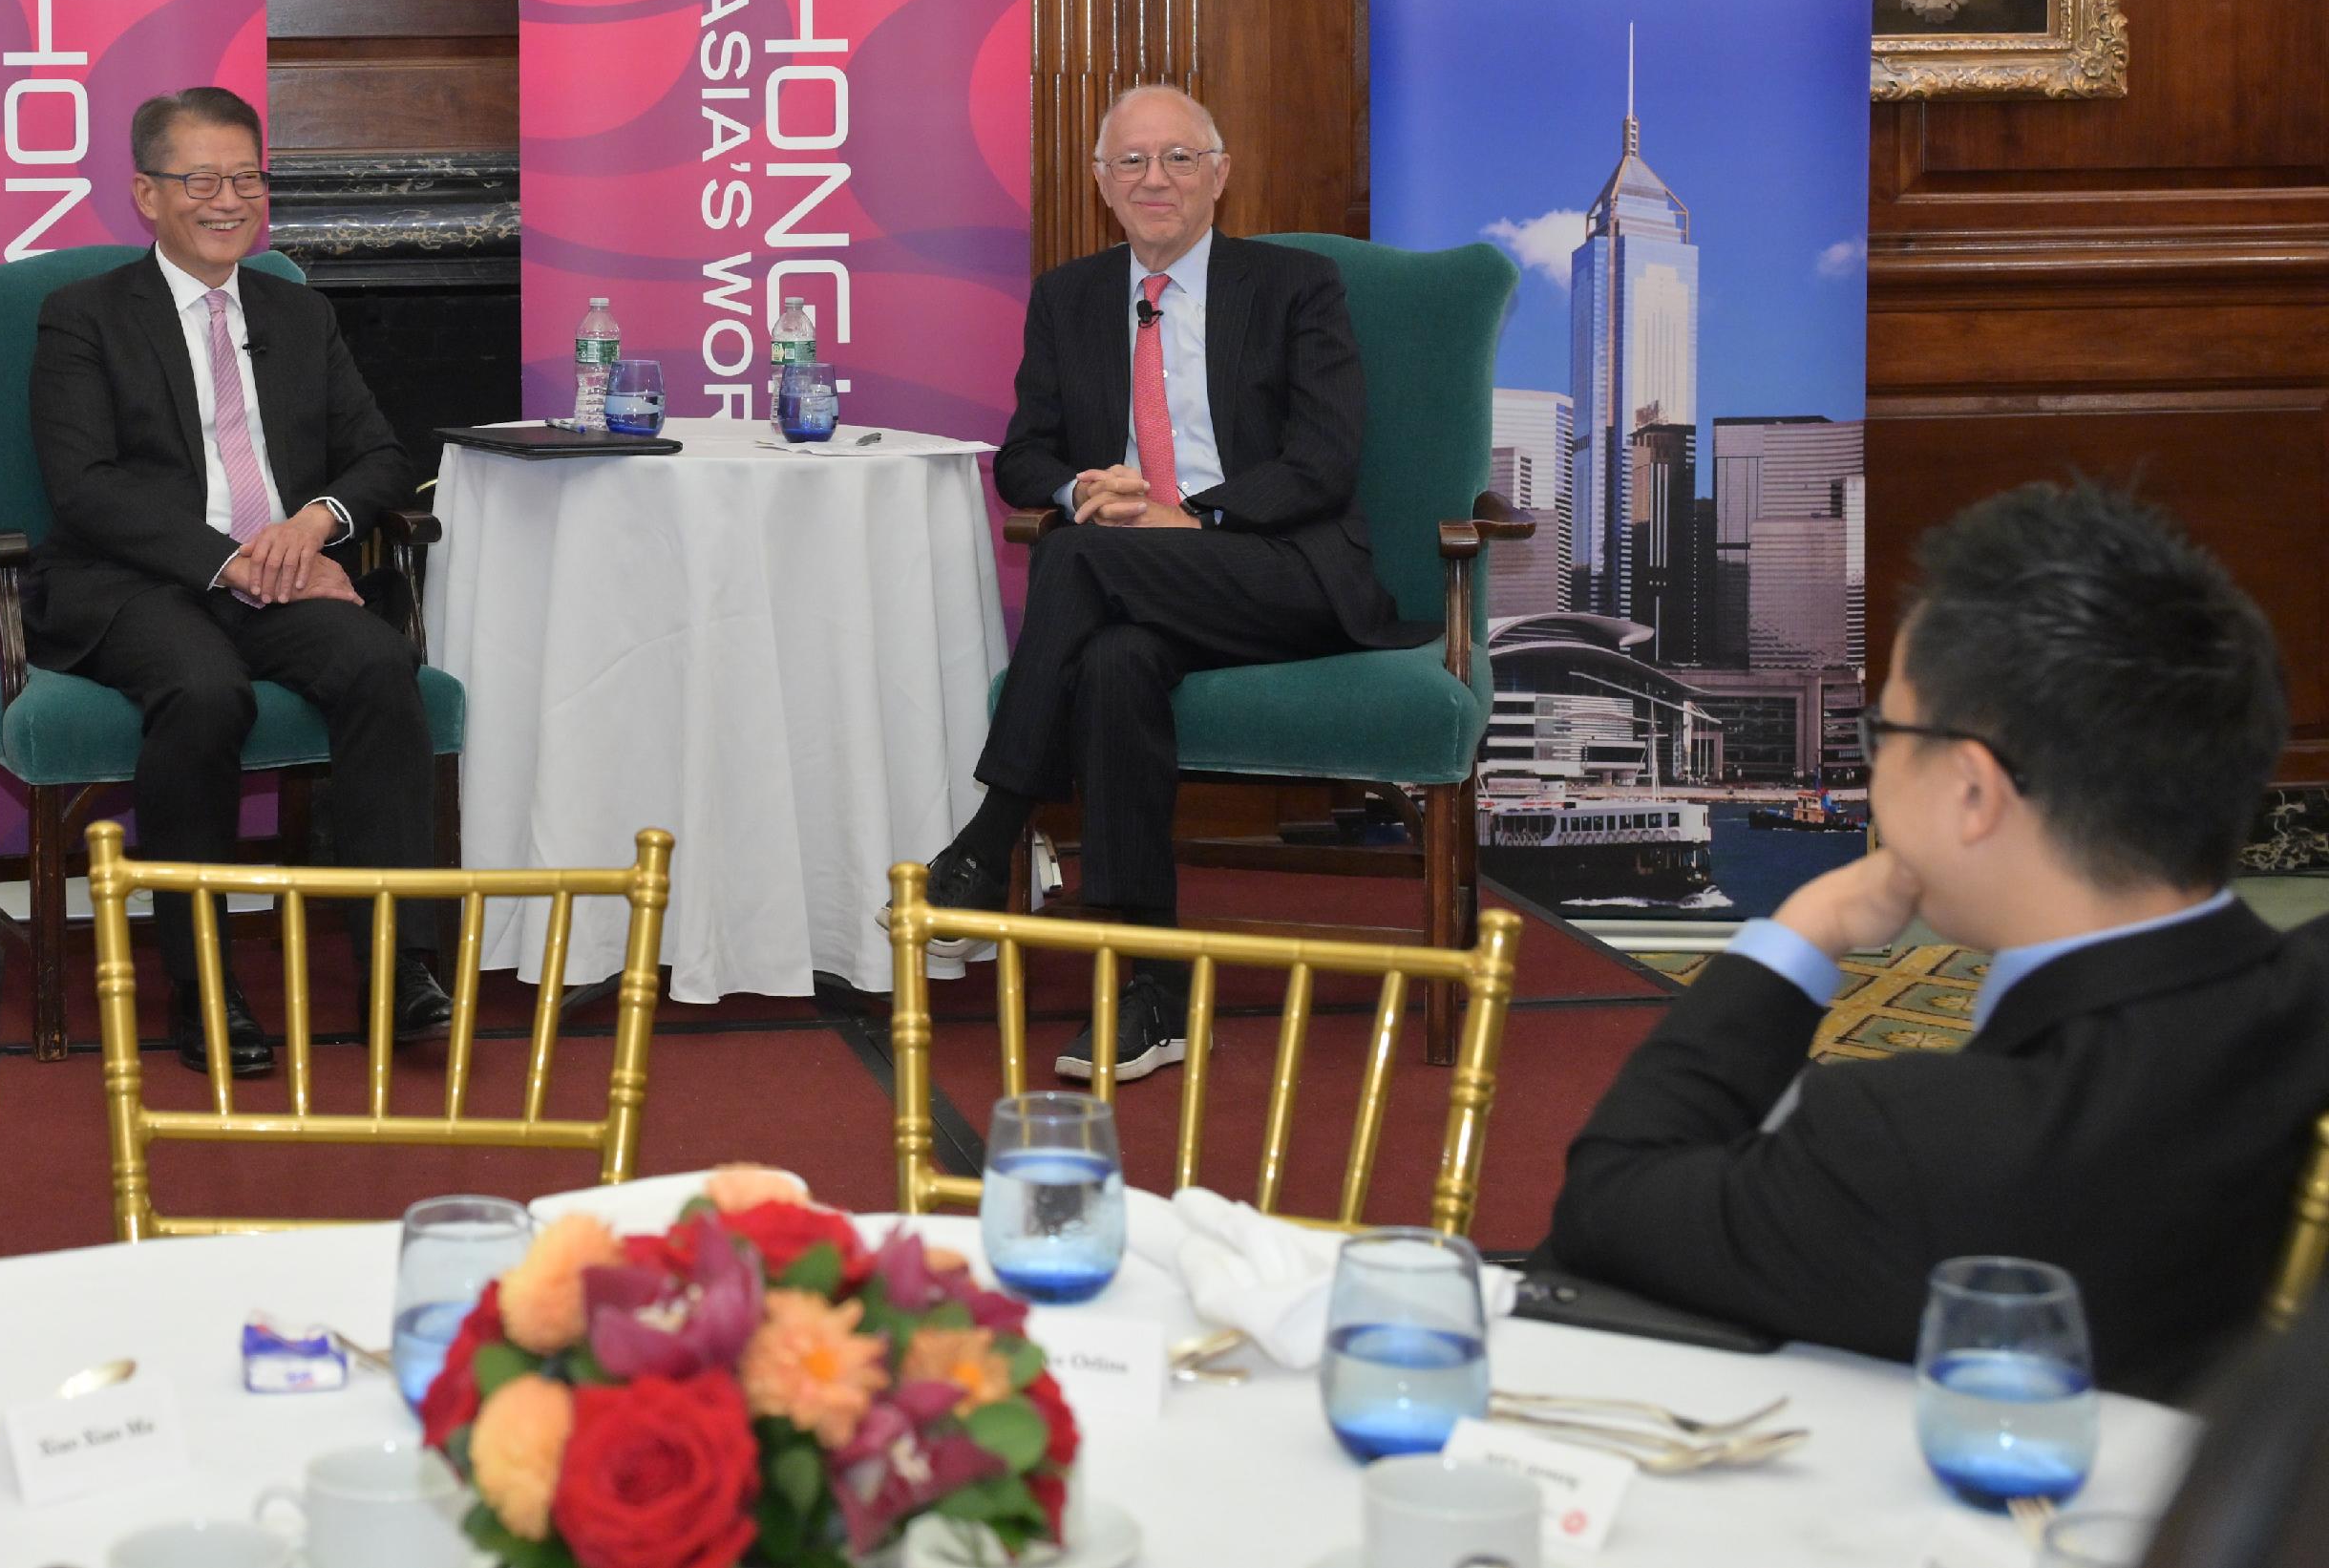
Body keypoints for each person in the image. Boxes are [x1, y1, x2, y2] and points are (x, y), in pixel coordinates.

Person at [1547, 479, 2329, 1400]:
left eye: (1886, 728)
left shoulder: (1907, 1145)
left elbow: (1612, 1200)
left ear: (1971, 792)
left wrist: (1807, 929)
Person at [924, 83, 1430, 1081]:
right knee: (1113, 662)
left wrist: (1189, 513)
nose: (1154, 179)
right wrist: (1083, 486)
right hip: (1133, 584)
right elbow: (1022, 455)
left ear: (1219, 175)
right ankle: (1146, 992)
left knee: (1076, 555)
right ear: (1102, 184)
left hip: (1281, 570)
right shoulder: (1069, 296)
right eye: (1131, 163)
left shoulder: (1294, 286)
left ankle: (991, 827)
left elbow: (1322, 462)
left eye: (1178, 159)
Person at [29, 85, 445, 1077]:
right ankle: (202, 978)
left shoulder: (298, 312)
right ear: (145, 192)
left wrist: (310, 526)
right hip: (142, 583)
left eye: (248, 178)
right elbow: (82, 486)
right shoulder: (81, 316)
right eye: (201, 179)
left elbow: (379, 454)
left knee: (379, 666)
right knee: (201, 690)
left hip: (283, 572)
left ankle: (402, 963)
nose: (229, 200)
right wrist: (231, 559)